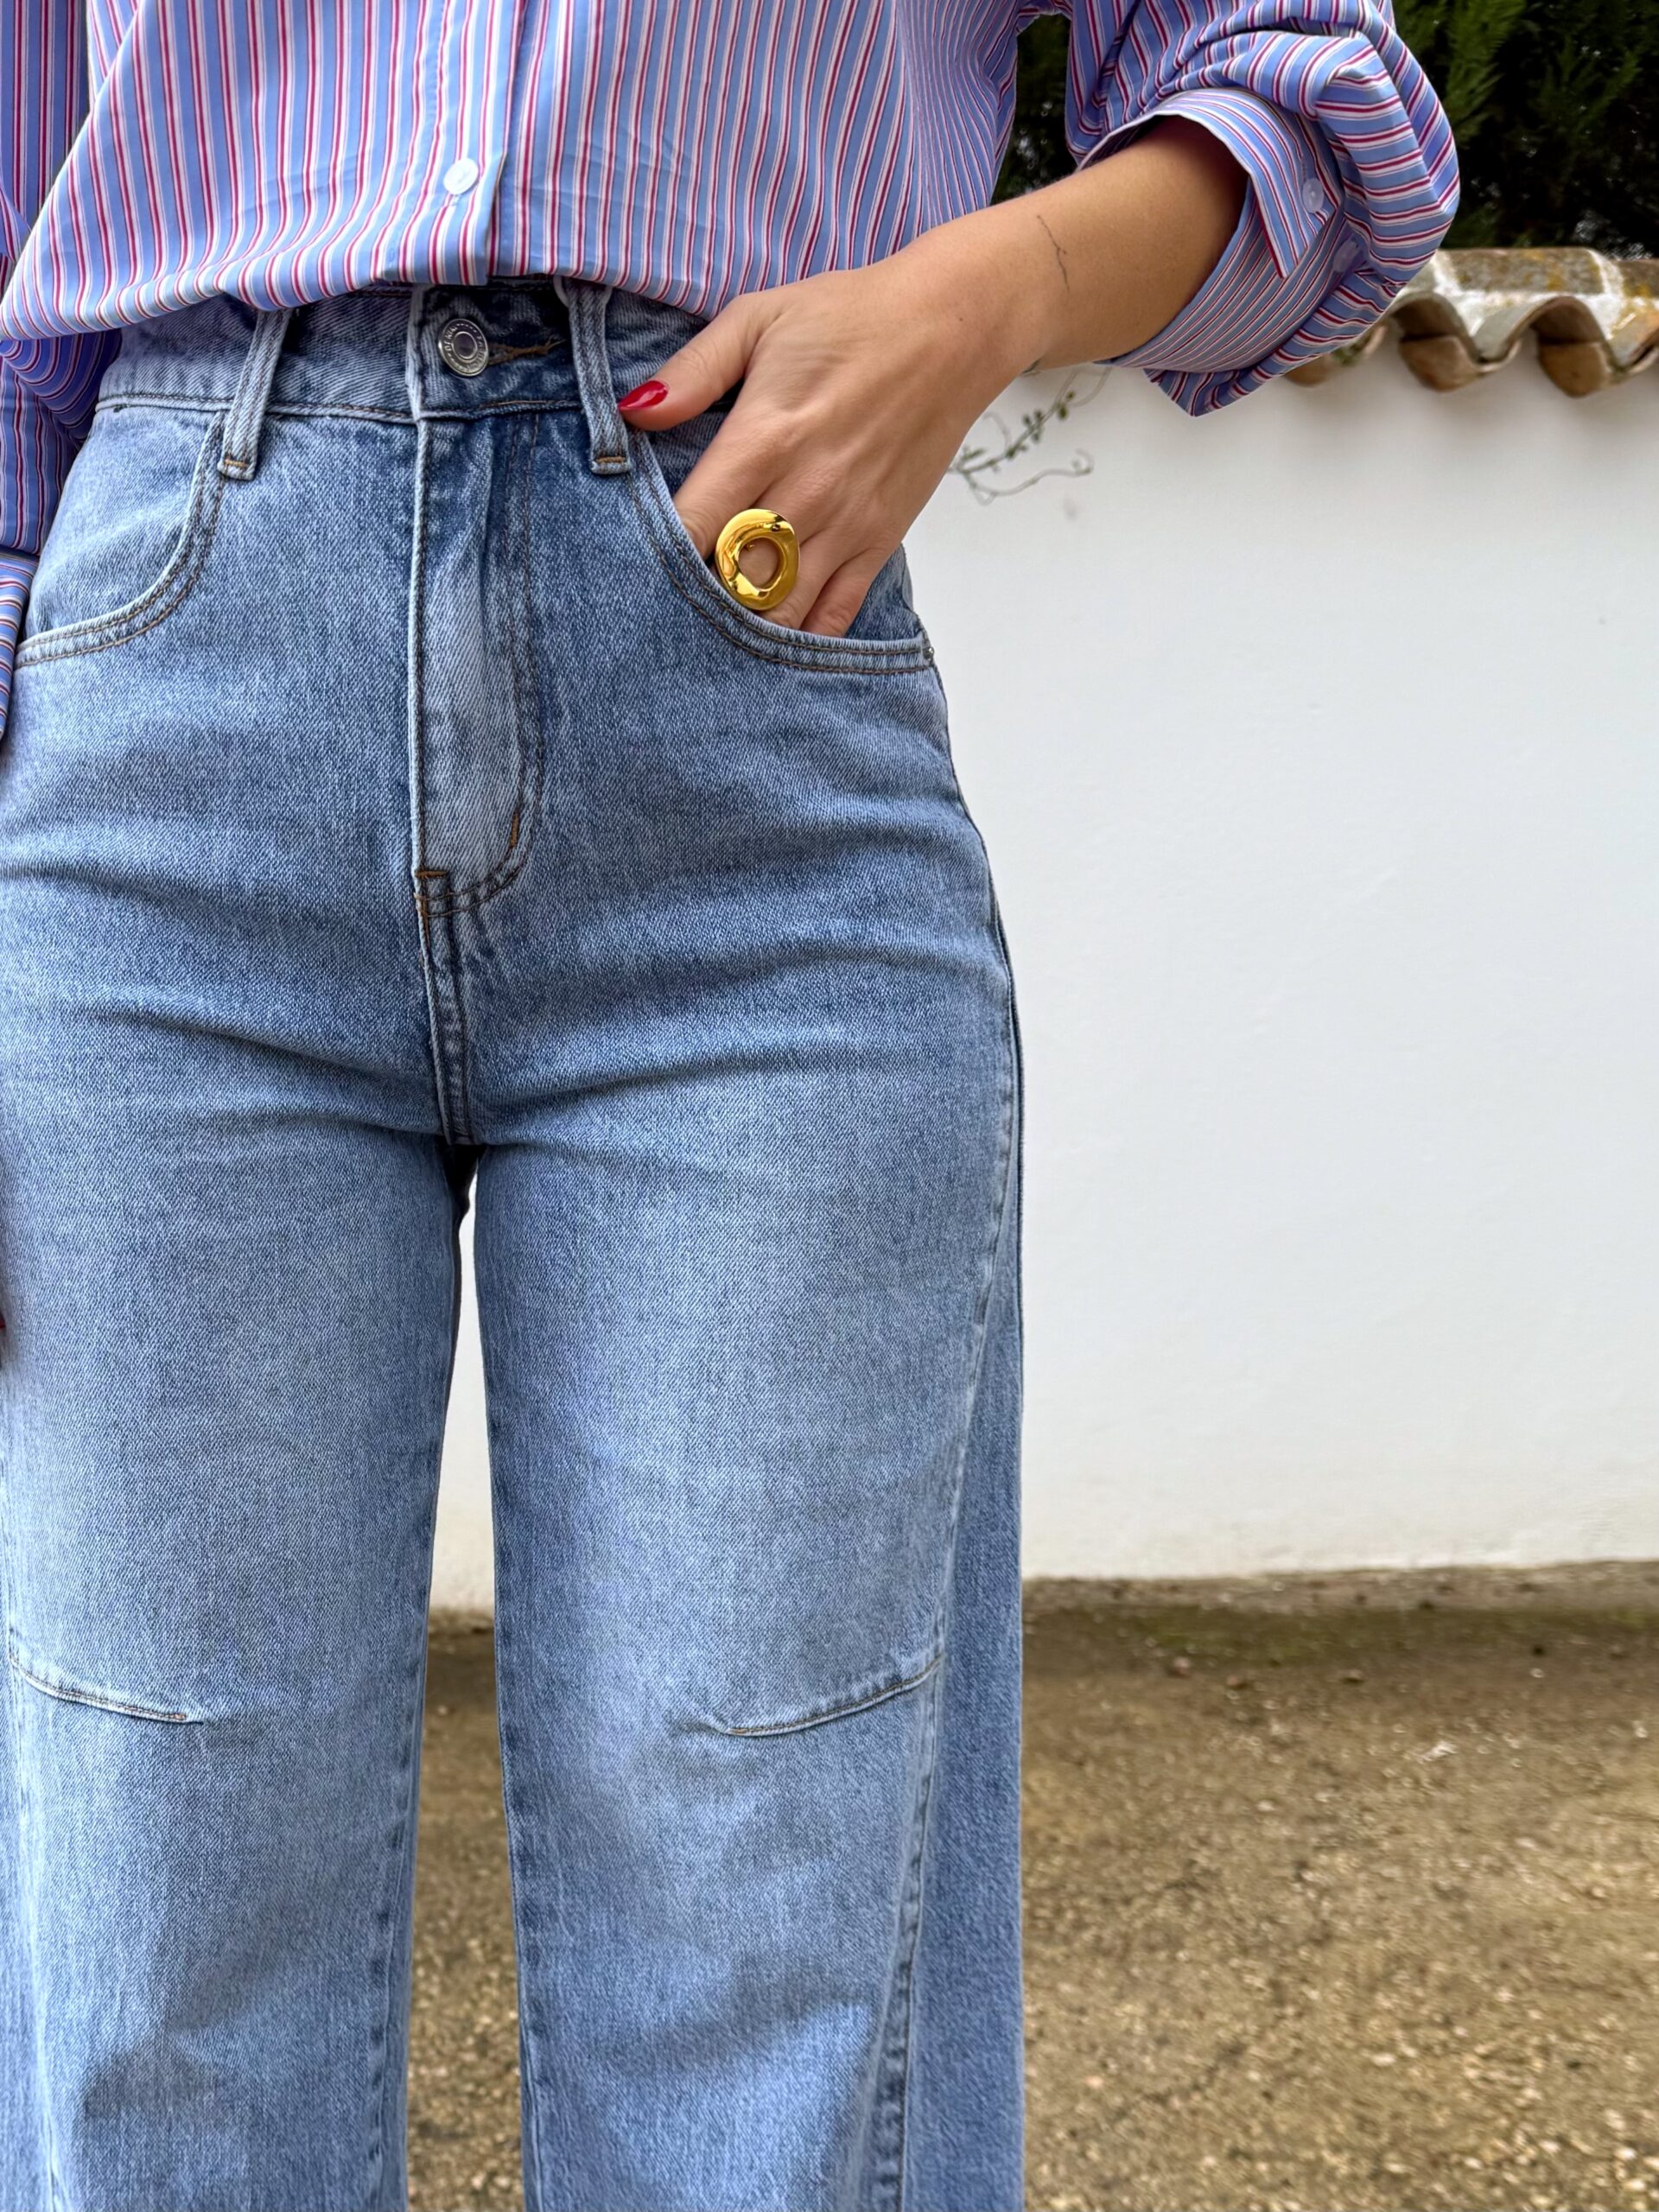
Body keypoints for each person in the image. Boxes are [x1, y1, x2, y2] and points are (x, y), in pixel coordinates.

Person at [0, 6, 1455, 2209]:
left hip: (749, 691)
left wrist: (974, 299)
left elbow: (1315, 107)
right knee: (149, 1925)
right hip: (159, 752)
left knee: (777, 1904)